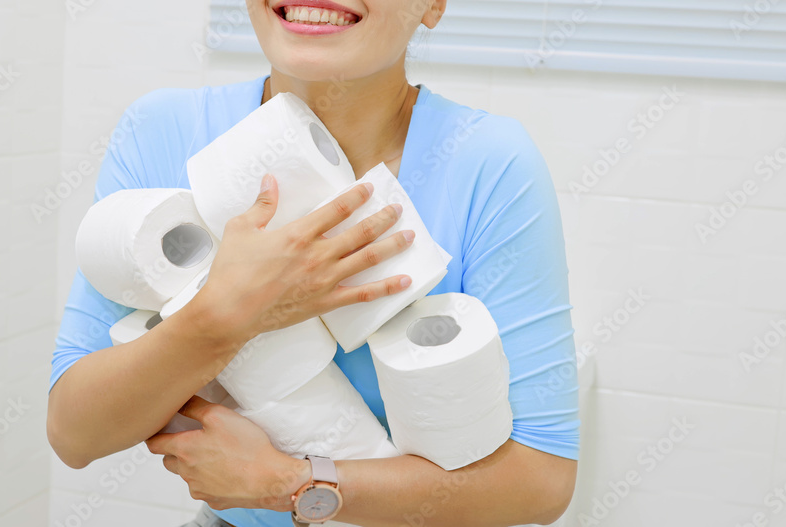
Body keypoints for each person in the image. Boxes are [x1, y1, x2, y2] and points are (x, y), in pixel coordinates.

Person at [47, 1, 580, 526]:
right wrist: (230, 313)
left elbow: (542, 482)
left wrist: (286, 484)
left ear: (433, 5)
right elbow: (75, 434)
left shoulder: (489, 162)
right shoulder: (163, 130)